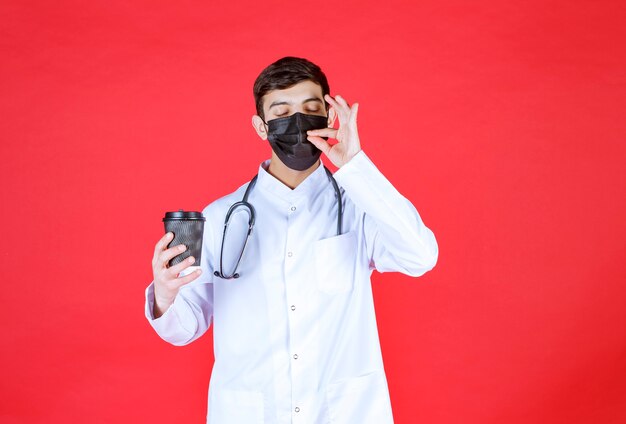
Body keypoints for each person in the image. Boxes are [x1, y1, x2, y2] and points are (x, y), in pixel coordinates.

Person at [145, 56, 438, 424]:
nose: (297, 123)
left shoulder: (360, 207)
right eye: (282, 112)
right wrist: (165, 294)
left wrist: (355, 164)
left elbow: (421, 256)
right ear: (260, 126)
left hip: (343, 413)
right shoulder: (219, 216)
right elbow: (184, 329)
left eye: (311, 109)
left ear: (329, 118)